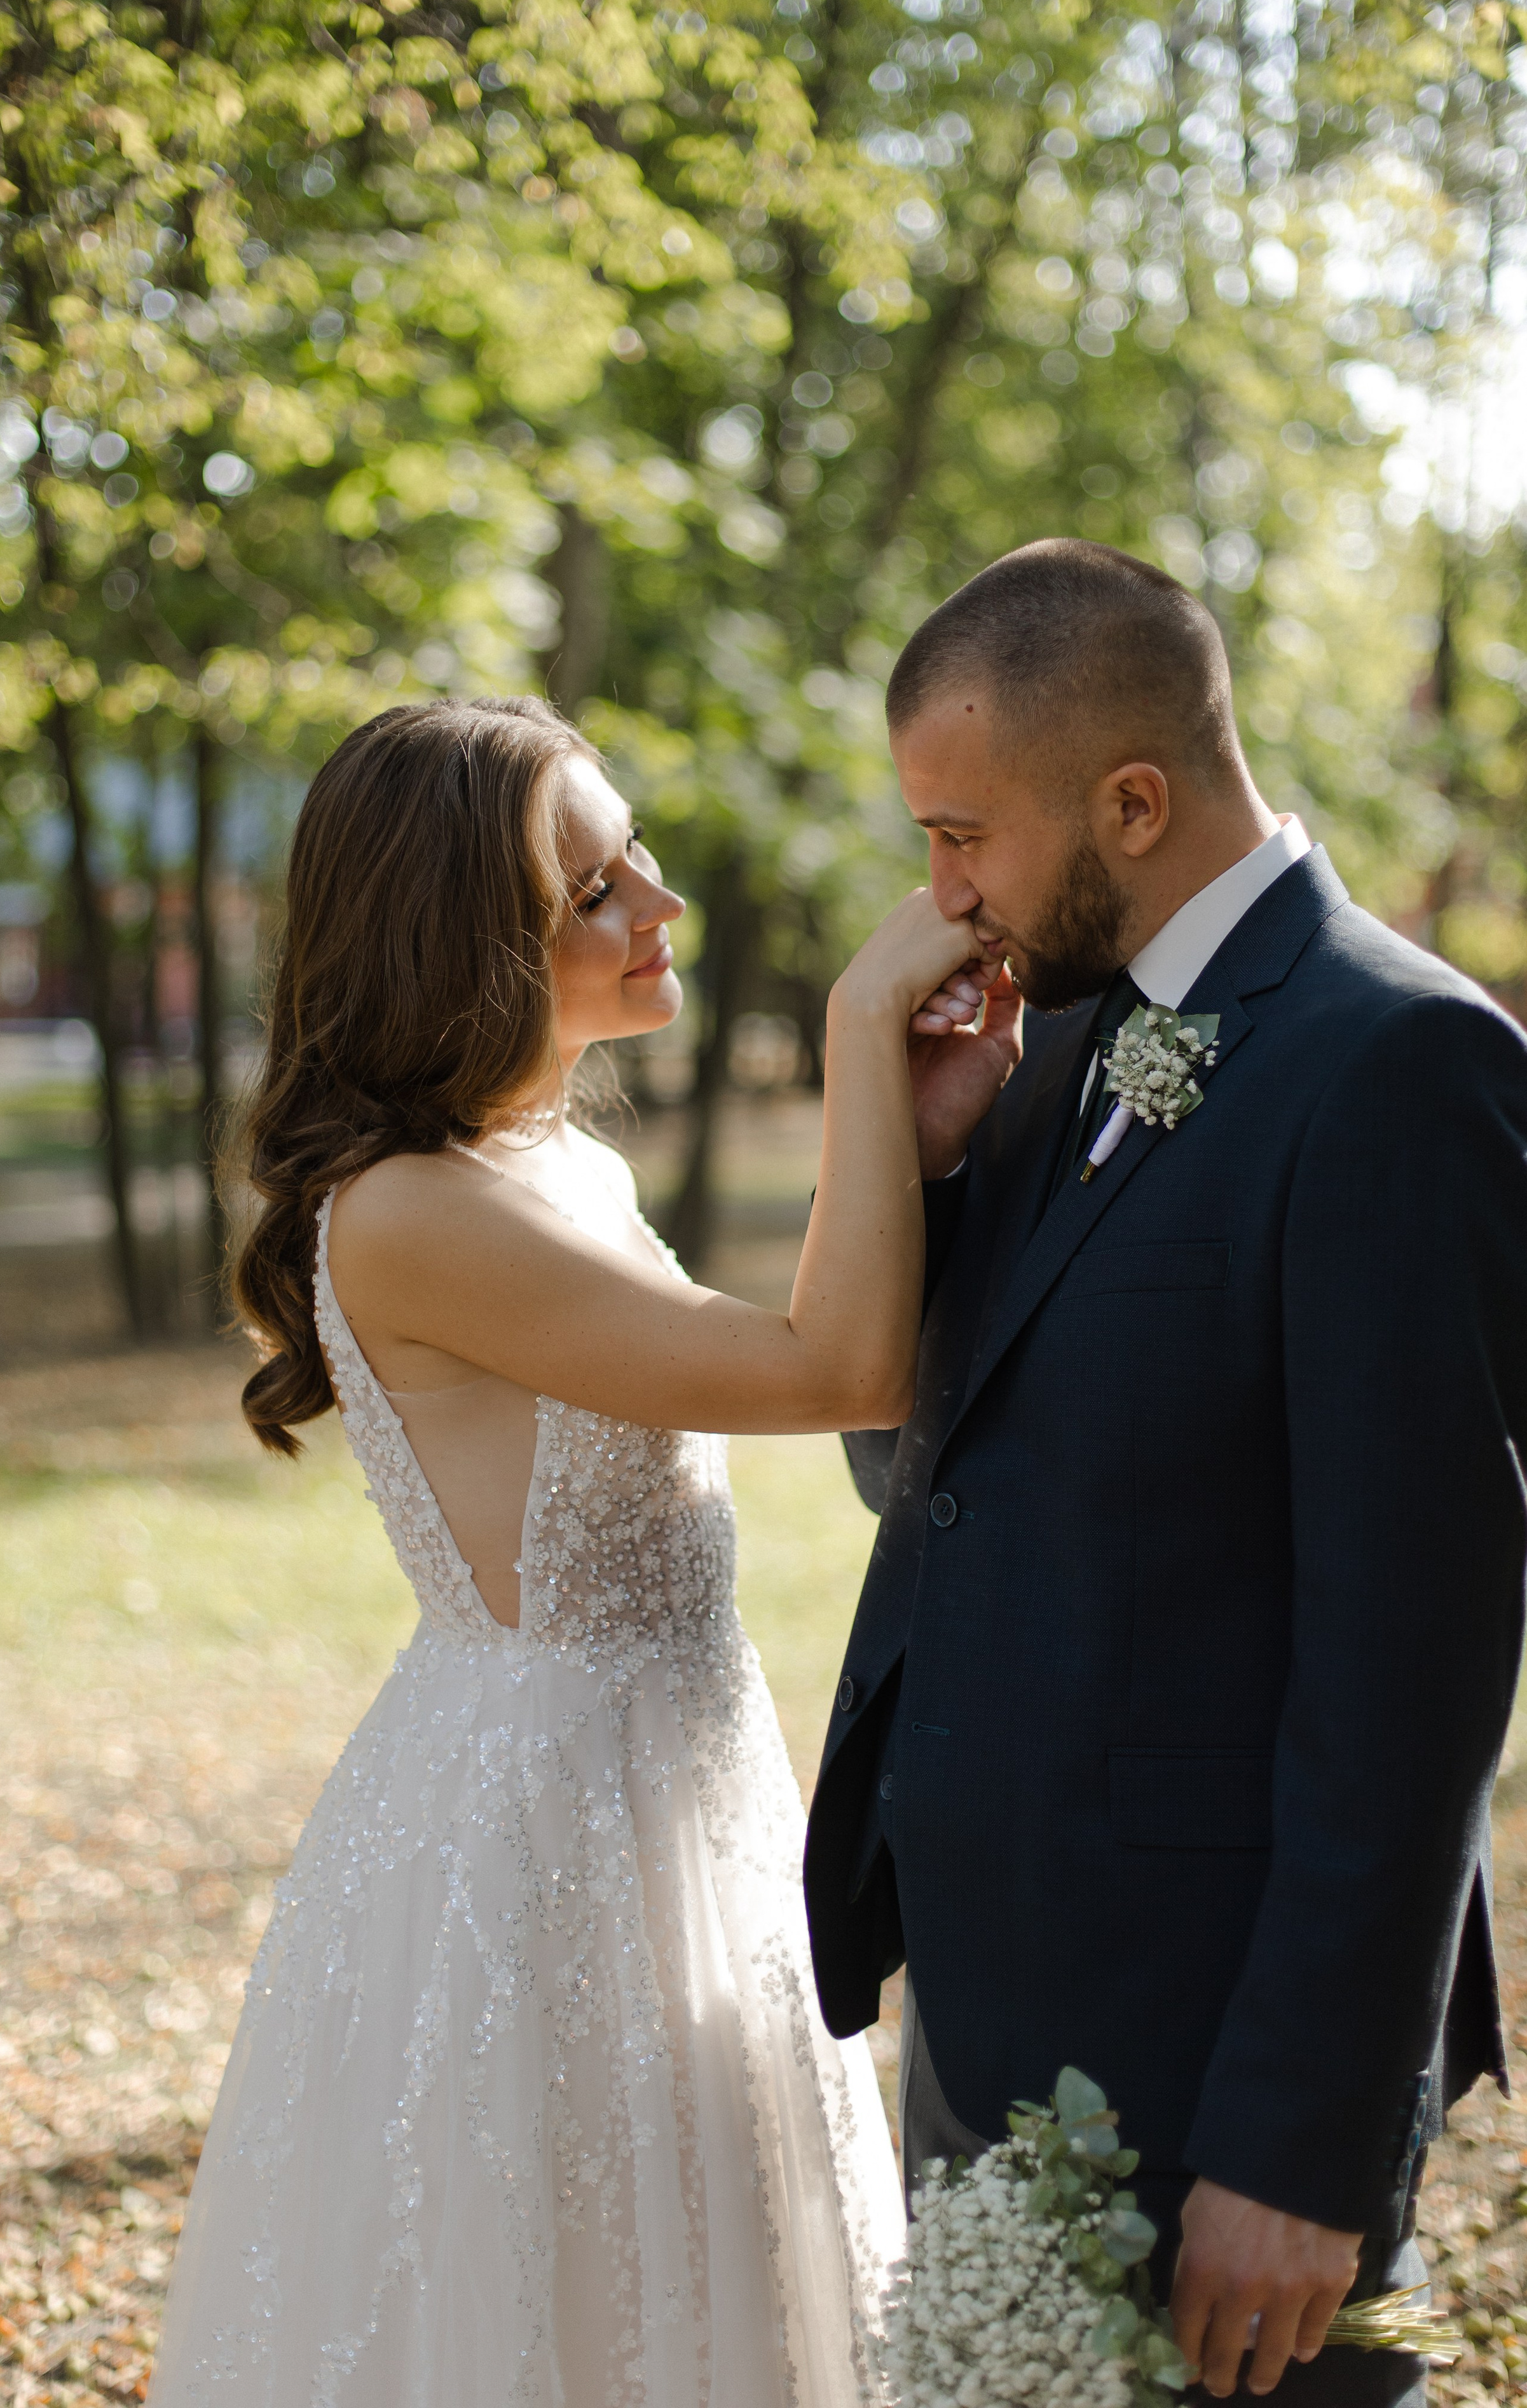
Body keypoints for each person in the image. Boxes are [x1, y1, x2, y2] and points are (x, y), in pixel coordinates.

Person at [149, 694, 1011, 2408]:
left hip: (678, 1773)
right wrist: (859, 1026)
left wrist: (913, 1140)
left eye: (638, 857)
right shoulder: (414, 1212)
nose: (661, 905)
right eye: (598, 889)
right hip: (545, 1828)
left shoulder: (554, 1164)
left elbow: (785, 1339)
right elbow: (835, 1374)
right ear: (459, 943)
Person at [804, 538, 1527, 2405]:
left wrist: (1305, 2140)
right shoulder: (1054, 1036)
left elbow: (1415, 1665)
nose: (939, 896)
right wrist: (926, 1170)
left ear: (1133, 802)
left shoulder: (1401, 1062)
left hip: (1223, 2058)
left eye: (964, 837)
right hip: (996, 2005)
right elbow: (920, 1475)